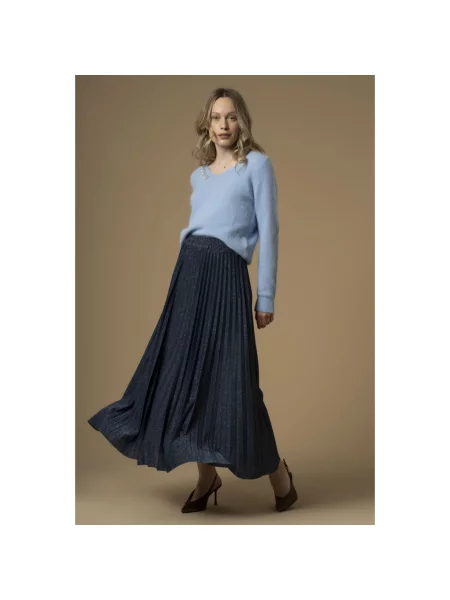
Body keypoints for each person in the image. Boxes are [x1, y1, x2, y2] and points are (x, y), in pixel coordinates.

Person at [88, 87, 298, 513]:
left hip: (225, 276)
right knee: (186, 376)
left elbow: (270, 231)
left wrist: (266, 295)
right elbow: (198, 225)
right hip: (189, 275)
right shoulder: (199, 176)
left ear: (242, 122)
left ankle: (279, 474)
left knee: (234, 382)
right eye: (216, 117)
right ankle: (206, 477)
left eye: (231, 117)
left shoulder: (256, 166)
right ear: (207, 123)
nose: (223, 125)